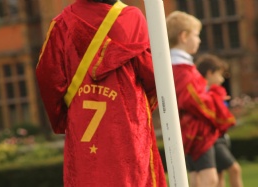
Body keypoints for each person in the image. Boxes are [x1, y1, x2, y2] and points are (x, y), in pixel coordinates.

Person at [36, 0, 167, 186]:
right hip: (127, 125)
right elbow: (153, 74)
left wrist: (65, 117)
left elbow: (48, 77)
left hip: (83, 128)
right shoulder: (132, 18)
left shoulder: (62, 24)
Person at [166, 11, 236, 187]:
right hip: (196, 132)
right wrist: (216, 96)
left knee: (198, 177)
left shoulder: (179, 67)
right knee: (208, 179)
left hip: (190, 130)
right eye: (196, 35)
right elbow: (193, 101)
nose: (199, 40)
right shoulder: (182, 69)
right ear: (183, 36)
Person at [196, 54, 244, 187]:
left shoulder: (215, 92)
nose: (222, 79)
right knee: (234, 169)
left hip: (220, 136)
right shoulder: (201, 92)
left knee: (219, 175)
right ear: (209, 73)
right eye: (219, 75)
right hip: (212, 138)